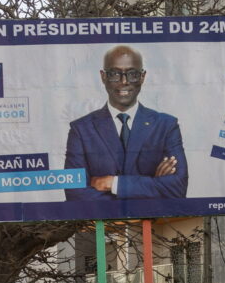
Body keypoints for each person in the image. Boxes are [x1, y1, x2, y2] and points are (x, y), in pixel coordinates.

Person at [64, 45, 188, 201]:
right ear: (103, 77)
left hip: (156, 224)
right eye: (115, 74)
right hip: (100, 225)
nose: (124, 81)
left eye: (132, 74)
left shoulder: (166, 126)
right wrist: (151, 188)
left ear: (142, 77)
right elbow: (75, 194)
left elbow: (177, 188)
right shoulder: (81, 129)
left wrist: (114, 183)